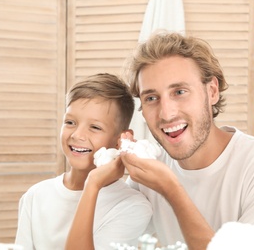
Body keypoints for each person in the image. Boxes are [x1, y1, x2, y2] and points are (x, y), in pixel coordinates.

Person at [120, 32, 254, 250]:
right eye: (151, 98)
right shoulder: (150, 171)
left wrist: (171, 189)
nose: (166, 113)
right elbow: (101, 237)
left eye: (180, 91)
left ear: (211, 92)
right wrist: (103, 175)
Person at [15, 73, 152, 249]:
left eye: (95, 127)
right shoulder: (35, 196)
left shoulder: (132, 207)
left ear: (121, 140)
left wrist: (92, 185)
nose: (77, 135)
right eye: (70, 122)